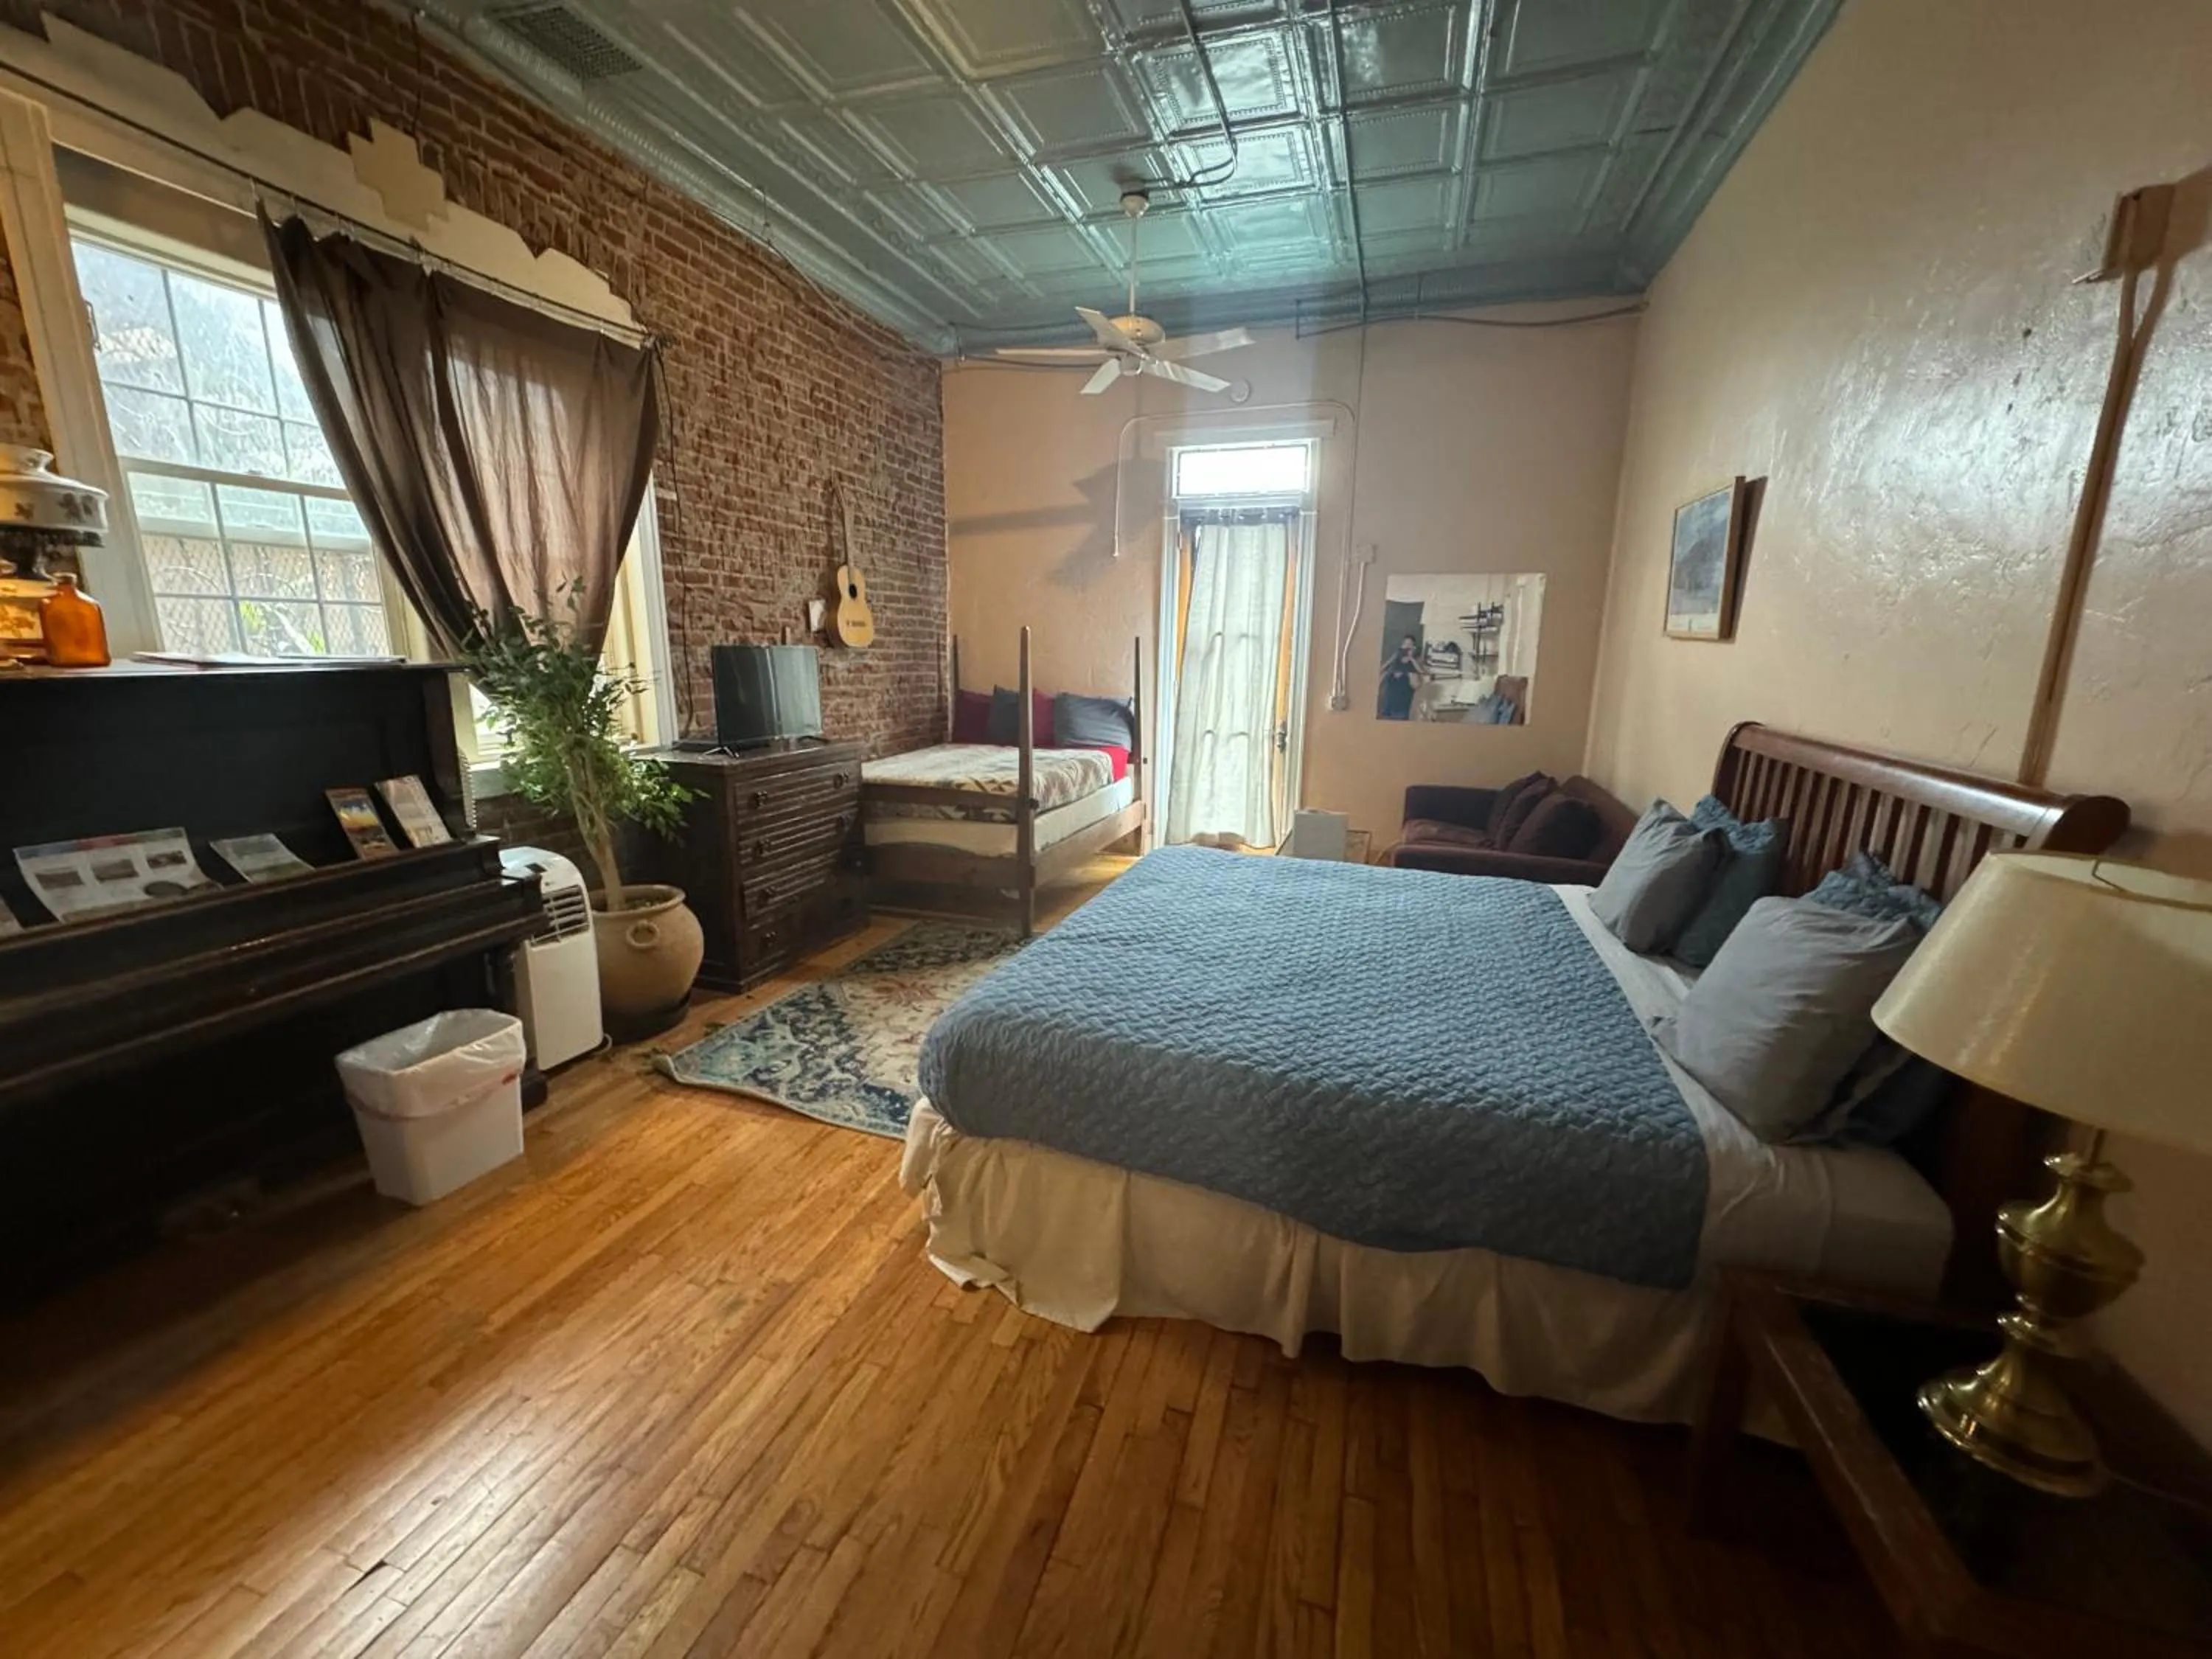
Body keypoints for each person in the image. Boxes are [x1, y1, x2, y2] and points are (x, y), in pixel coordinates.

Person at [1378, 634, 1424, 720]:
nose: (1407, 647)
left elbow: (1420, 672)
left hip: (1404, 696)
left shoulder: (1416, 660)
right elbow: (1387, 665)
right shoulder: (1397, 656)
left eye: (1410, 645)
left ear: (1413, 647)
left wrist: (1411, 658)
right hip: (1390, 694)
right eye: (1405, 644)